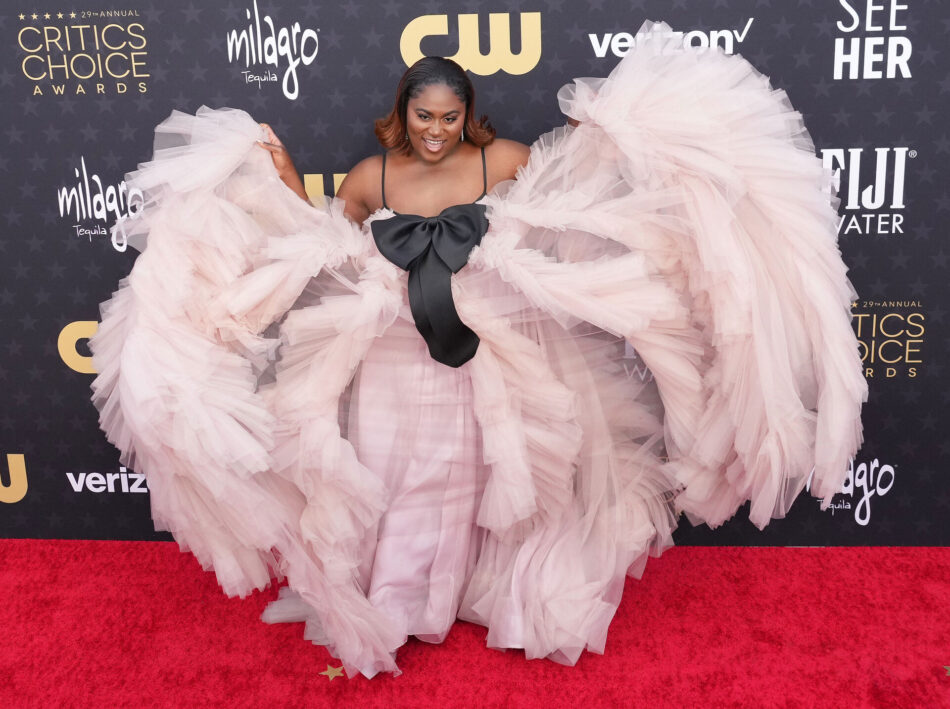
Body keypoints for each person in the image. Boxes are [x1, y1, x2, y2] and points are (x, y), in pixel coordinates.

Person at [90, 21, 867, 679]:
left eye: (449, 118)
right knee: (393, 471)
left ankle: (463, 593)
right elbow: (321, 244)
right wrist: (286, 176)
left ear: (468, 116)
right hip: (392, 350)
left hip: (480, 349)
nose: (435, 132)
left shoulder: (506, 162)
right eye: (422, 116)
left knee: (471, 474)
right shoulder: (370, 176)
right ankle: (396, 603)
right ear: (403, 114)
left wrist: (608, 152)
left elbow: (555, 213)